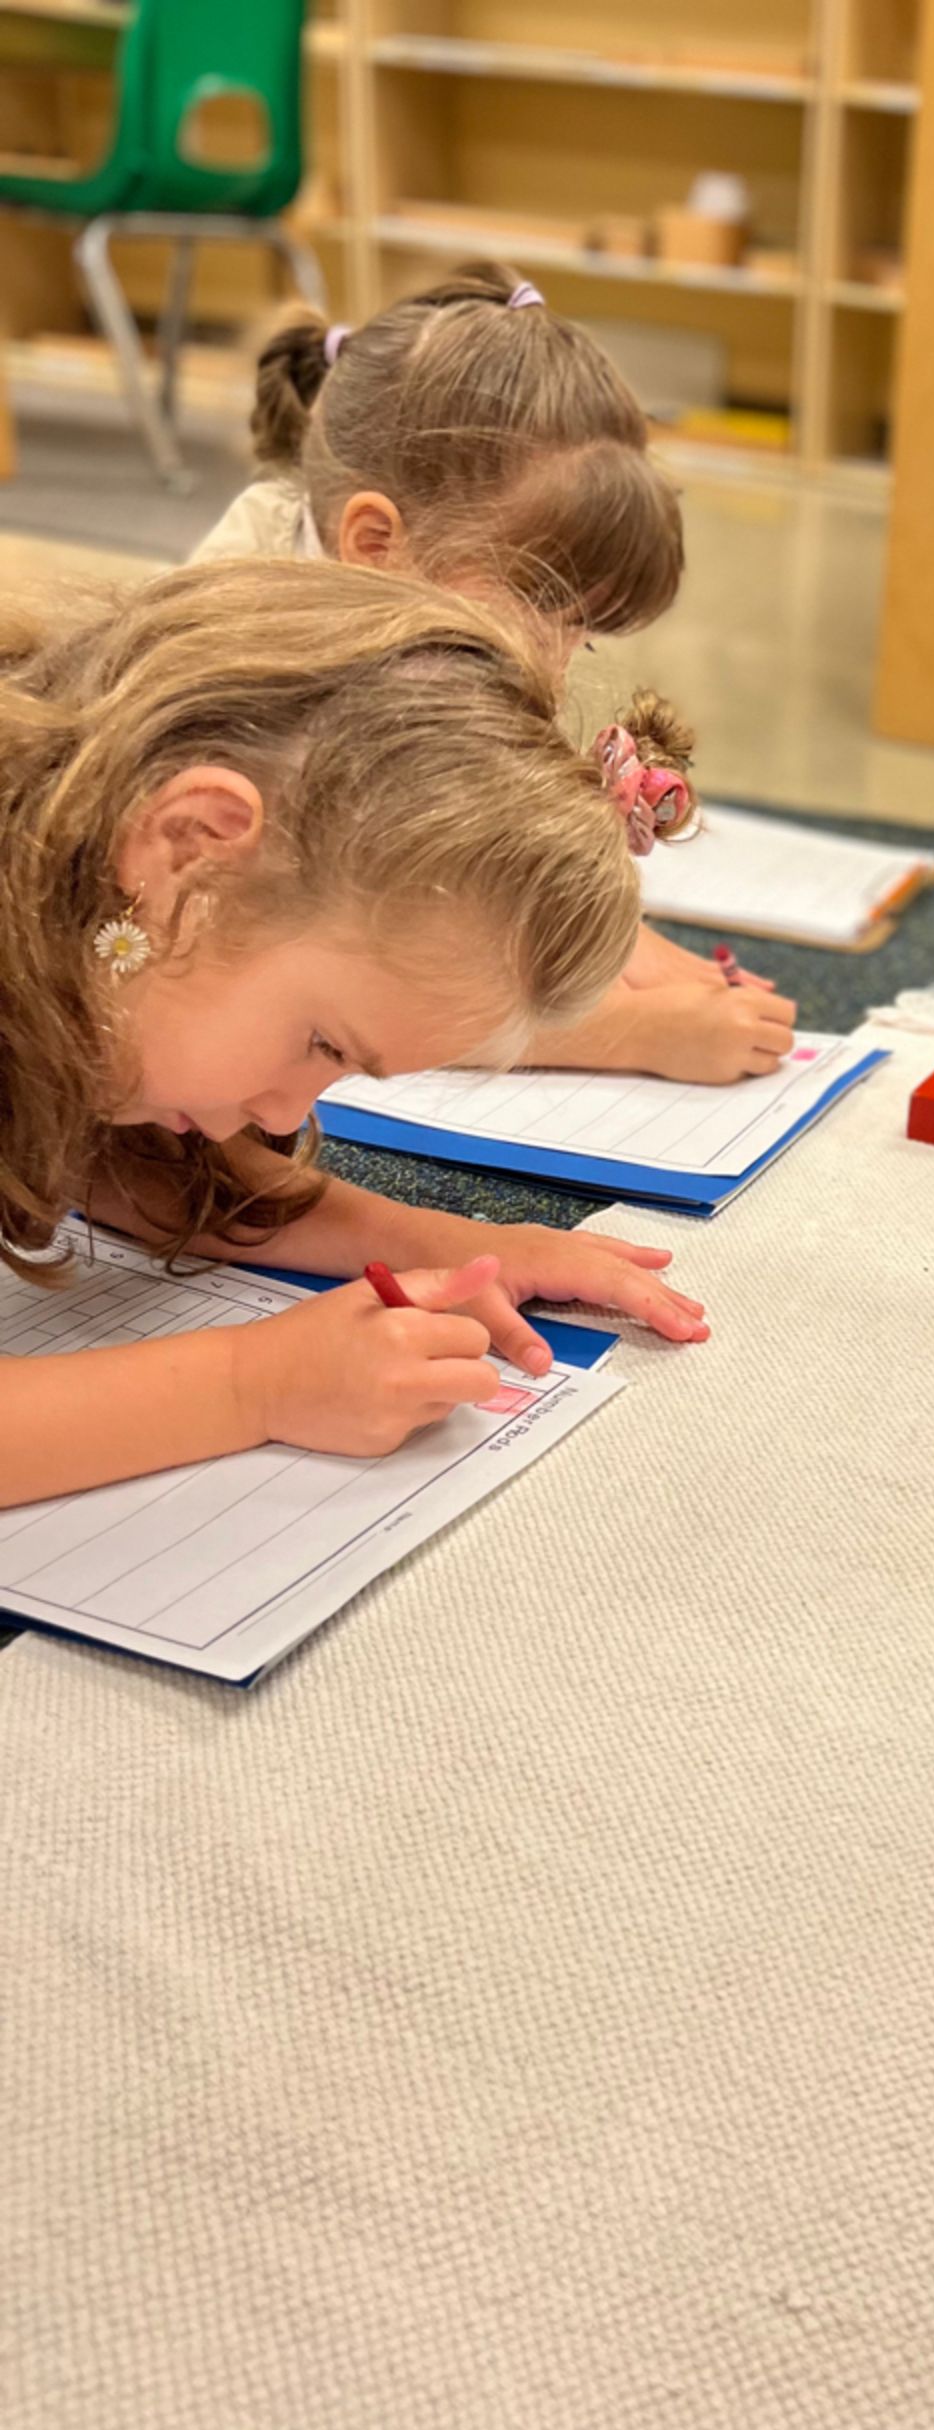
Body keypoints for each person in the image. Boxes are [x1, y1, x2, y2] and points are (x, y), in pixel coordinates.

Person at [0, 558, 712, 1510]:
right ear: (189, 847)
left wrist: (452, 1242)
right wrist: (252, 1385)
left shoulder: (82, 948)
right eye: (323, 1043)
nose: (289, 1108)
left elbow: (123, 1168)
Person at [194, 262, 797, 1086]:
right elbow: (338, 992)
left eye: (580, 634)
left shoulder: (413, 601)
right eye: (540, 607)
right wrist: (629, 1031)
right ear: (375, 544)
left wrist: (620, 942)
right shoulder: (246, 674)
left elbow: (464, 856)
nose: (551, 665)